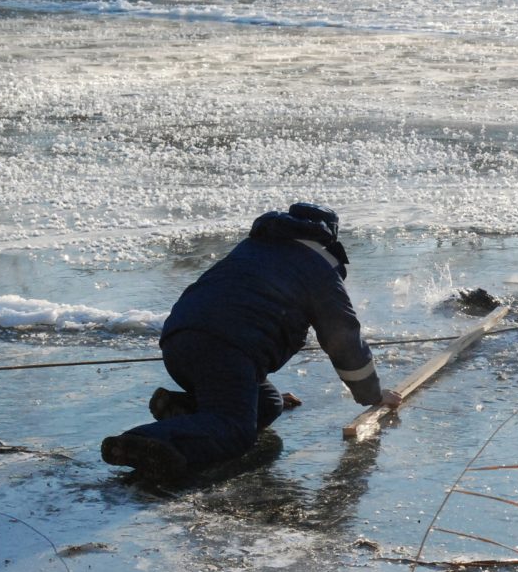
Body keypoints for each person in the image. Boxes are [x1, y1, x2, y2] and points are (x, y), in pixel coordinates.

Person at [101, 202, 401, 482]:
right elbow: (344, 340)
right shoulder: (317, 269)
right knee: (235, 431)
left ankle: (185, 409)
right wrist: (373, 394)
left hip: (178, 339)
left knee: (268, 403)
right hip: (224, 349)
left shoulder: (255, 247)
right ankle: (143, 442)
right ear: (329, 239)